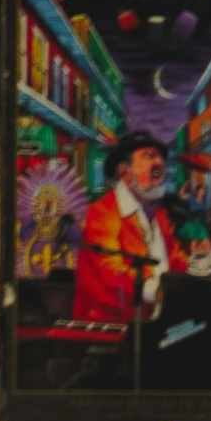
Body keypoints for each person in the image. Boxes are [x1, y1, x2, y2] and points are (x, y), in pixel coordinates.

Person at [72, 131, 188, 325]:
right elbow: (109, 269)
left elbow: (176, 259)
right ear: (124, 170)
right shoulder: (103, 211)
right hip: (110, 327)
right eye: (149, 156)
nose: (159, 162)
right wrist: (153, 289)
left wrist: (203, 265)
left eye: (160, 157)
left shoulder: (159, 214)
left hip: (155, 322)